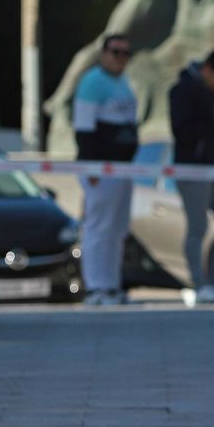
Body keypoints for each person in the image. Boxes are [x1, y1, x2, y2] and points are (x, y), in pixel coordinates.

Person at [169, 47, 214, 304]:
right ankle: (198, 285)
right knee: (198, 227)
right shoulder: (181, 90)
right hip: (192, 168)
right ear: (208, 69)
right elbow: (181, 131)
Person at [72, 34, 139, 305]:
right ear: (104, 53)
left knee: (117, 229)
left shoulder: (123, 82)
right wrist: (92, 168)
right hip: (101, 168)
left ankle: (111, 286)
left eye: (125, 53)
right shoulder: (92, 82)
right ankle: (95, 288)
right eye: (115, 52)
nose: (120, 57)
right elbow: (84, 129)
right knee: (99, 227)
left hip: (123, 167)